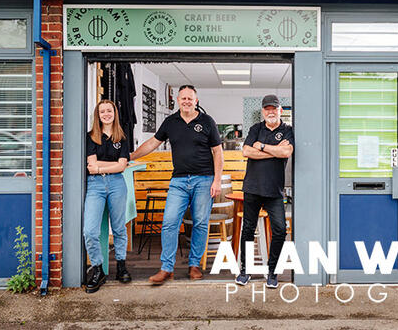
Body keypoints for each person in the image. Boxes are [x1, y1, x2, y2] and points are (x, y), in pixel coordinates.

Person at [130, 85, 224, 283]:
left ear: (196, 101)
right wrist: (130, 156)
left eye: (190, 98)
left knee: (200, 223)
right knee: (169, 223)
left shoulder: (207, 121)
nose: (187, 101)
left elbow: (218, 152)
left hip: (204, 180)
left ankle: (194, 265)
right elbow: (152, 144)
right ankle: (167, 268)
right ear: (178, 101)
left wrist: (216, 180)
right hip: (179, 181)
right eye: (183, 98)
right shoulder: (170, 122)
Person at [235, 94, 294, 288]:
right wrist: (273, 151)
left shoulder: (287, 130)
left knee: (280, 230)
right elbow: (246, 152)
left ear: (280, 111)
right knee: (248, 230)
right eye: (267, 109)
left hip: (275, 190)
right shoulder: (255, 128)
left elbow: (286, 152)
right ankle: (245, 270)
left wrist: (260, 146)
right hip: (252, 187)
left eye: (274, 108)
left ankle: (272, 272)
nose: (271, 112)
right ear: (263, 111)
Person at [83, 100, 132, 293]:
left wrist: (101, 167)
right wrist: (110, 165)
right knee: (90, 231)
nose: (106, 114)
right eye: (102, 111)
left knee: (119, 227)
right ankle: (98, 269)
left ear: (114, 113)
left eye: (109, 110)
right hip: (95, 186)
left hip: (117, 184)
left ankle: (121, 266)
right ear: (98, 115)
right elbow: (91, 166)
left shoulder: (122, 137)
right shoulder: (91, 137)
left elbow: (122, 166)